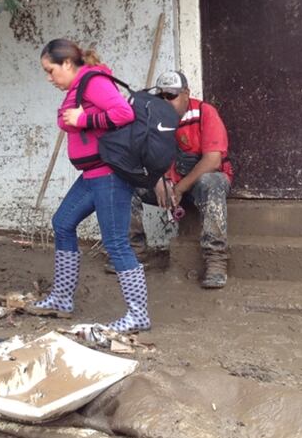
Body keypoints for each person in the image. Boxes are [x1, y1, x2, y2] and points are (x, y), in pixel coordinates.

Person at [26, 39, 152, 333]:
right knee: (63, 223)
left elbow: (124, 113)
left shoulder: (93, 81)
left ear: (67, 64)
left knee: (116, 243)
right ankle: (62, 298)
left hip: (108, 175)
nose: (49, 78)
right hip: (91, 175)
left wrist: (84, 118)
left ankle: (139, 315)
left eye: (50, 70)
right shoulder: (78, 86)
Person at [129, 70, 233, 289]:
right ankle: (133, 254)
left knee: (211, 181)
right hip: (167, 185)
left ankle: (216, 259)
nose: (166, 101)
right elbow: (140, 155)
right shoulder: (151, 117)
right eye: (162, 97)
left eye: (172, 96)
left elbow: (213, 160)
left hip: (196, 185)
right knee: (125, 184)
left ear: (186, 93)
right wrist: (158, 179)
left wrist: (179, 189)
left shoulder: (205, 112)